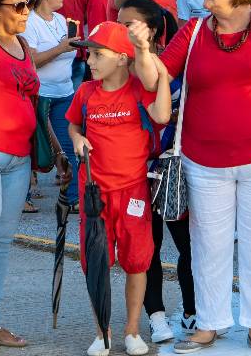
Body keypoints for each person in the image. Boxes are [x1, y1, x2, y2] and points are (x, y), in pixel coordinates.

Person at [132, 0, 251, 355]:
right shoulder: (192, 30)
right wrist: (142, 50)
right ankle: (209, 324)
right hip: (203, 159)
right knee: (207, 243)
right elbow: (158, 77)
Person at [0, 0, 70, 356]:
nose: (27, 11)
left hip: (18, 156)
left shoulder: (23, 45)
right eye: (19, 5)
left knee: (2, 243)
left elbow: (35, 106)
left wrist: (57, 151)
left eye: (28, 3)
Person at [67, 21, 171, 356]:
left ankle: (132, 330)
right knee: (96, 262)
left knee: (137, 262)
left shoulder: (139, 92)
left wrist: (164, 76)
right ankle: (102, 333)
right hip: (94, 194)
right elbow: (72, 124)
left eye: (98, 54)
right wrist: (77, 138)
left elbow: (163, 116)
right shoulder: (85, 93)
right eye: (89, 54)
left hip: (133, 192)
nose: (91, 61)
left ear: (123, 59)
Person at [117, 0, 197, 343]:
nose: (123, 31)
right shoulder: (116, 70)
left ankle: (194, 311)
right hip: (137, 172)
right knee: (145, 249)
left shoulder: (180, 64)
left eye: (129, 24)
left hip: (177, 168)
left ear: (152, 30)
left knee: (191, 245)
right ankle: (156, 316)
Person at [23, 0, 80, 210]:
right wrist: (61, 47)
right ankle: (21, 195)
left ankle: (72, 197)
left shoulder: (60, 19)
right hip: (40, 95)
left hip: (64, 92)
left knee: (69, 147)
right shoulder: (29, 22)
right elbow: (32, 60)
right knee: (33, 148)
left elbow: (67, 50)